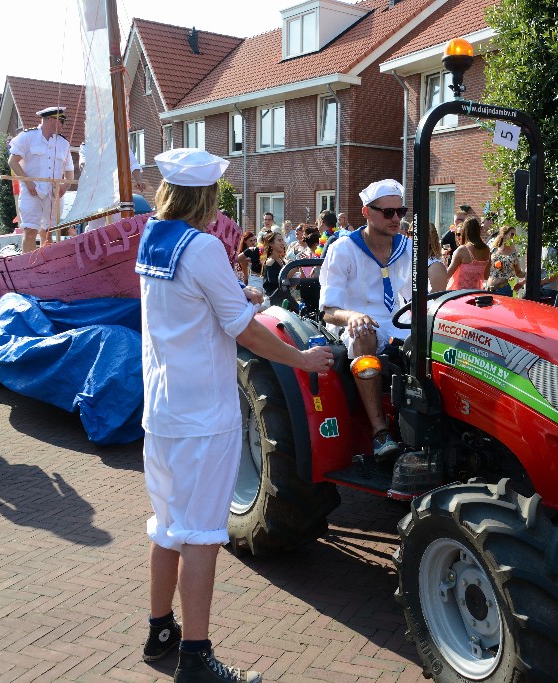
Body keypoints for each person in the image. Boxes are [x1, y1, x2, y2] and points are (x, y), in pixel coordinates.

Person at [135, 148, 331, 683]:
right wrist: (303, 358)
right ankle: (196, 658)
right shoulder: (201, 248)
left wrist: (234, 293)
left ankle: (160, 631)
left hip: (162, 411)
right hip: (204, 413)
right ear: (208, 197)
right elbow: (244, 331)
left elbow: (188, 304)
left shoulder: (152, 239)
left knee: (167, 526)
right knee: (201, 533)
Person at [320, 179, 411, 460]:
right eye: (388, 213)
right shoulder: (343, 249)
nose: (396, 219)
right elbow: (328, 311)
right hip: (351, 322)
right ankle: (379, 431)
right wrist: (353, 316)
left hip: (395, 319)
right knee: (364, 333)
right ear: (366, 212)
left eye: (401, 211)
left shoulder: (407, 248)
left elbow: (419, 297)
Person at [8, 107, 75, 253]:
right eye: (61, 121)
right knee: (30, 231)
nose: (63, 125)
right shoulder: (27, 137)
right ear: (51, 120)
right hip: (31, 192)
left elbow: (70, 170)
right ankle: (28, 268)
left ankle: (45, 269)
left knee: (48, 232)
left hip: (53, 194)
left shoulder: (63, 143)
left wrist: (66, 186)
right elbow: (12, 162)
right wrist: (28, 183)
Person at [445, 217, 490, 290]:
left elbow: (447, 275)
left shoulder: (462, 250)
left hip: (458, 294)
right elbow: (486, 276)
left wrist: (443, 262)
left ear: (465, 231)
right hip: (475, 293)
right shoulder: (487, 250)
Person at [485, 225, 524, 296]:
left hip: (503, 289)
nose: (514, 237)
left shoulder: (514, 254)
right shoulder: (494, 249)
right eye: (512, 234)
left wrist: (527, 275)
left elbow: (518, 272)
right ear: (504, 235)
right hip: (489, 288)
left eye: (515, 235)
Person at [260, 230, 287, 306]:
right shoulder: (270, 262)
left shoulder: (281, 260)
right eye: (279, 240)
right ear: (271, 244)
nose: (282, 243)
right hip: (273, 302)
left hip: (281, 299)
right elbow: (277, 281)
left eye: (282, 240)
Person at [427, 224, 448, 293]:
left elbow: (437, 300)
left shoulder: (436, 267)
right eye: (410, 233)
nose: (412, 237)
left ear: (430, 240)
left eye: (416, 235)